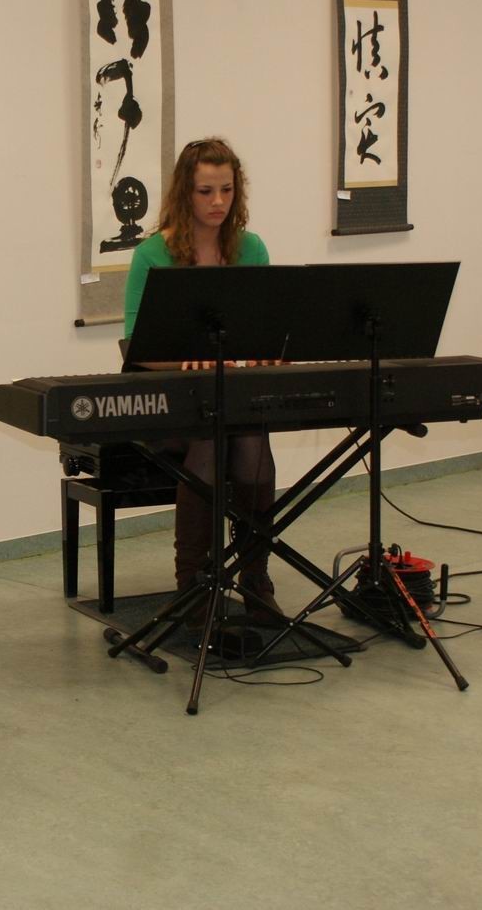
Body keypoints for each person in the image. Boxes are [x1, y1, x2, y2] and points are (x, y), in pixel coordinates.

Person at [122, 137, 282, 630]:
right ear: (184, 193)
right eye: (206, 191)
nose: (218, 202)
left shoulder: (251, 248)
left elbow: (268, 328)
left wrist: (263, 352)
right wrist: (184, 361)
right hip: (174, 404)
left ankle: (255, 580)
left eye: (227, 190)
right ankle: (192, 583)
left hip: (233, 398)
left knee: (250, 445)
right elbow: (135, 347)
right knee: (210, 443)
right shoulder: (152, 254)